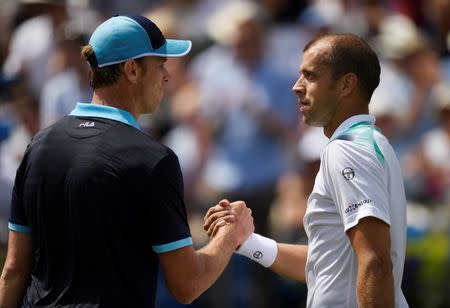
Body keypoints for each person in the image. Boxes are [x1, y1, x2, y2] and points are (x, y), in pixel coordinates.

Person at [0, 15, 254, 308]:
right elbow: (188, 284)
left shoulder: (38, 146)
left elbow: (13, 270)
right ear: (132, 70)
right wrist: (230, 234)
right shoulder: (153, 160)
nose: (167, 76)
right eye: (160, 65)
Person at [205, 33, 409, 307]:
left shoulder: (348, 149)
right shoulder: (368, 143)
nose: (296, 87)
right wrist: (247, 242)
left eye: (310, 76)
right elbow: (325, 266)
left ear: (347, 84)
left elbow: (376, 262)